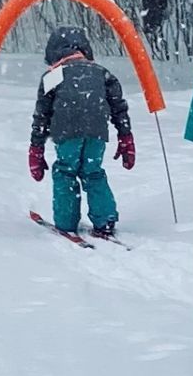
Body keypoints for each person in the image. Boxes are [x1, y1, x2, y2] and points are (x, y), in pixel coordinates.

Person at [27, 25, 135, 239]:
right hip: (97, 133)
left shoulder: (53, 76)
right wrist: (125, 135)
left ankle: (66, 222)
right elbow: (118, 107)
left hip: (66, 133)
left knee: (65, 172)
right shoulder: (102, 73)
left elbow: (42, 115)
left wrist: (36, 147)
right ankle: (105, 220)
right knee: (93, 172)